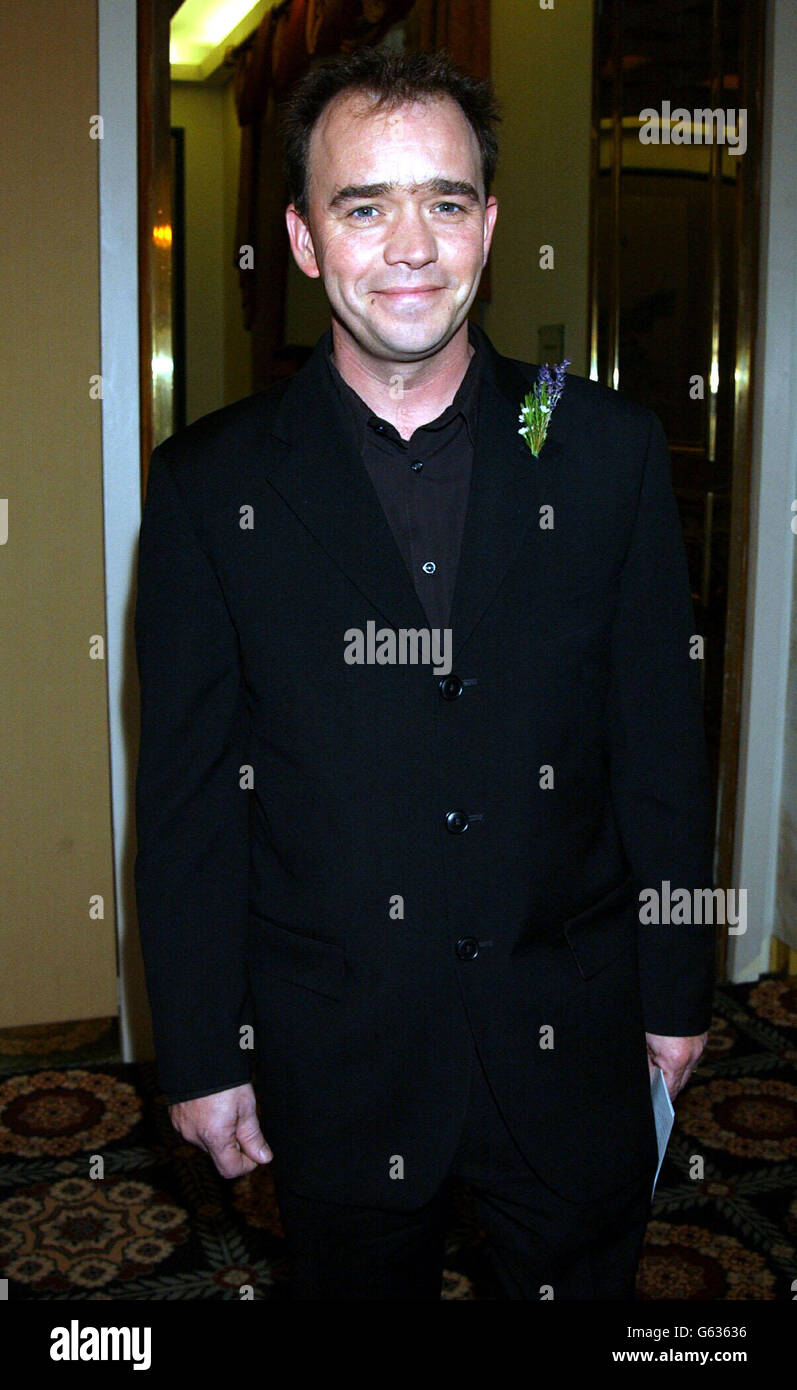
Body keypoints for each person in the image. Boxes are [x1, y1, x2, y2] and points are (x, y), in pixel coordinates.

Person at [133, 47, 715, 1300]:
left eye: (444, 202)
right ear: (299, 238)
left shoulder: (600, 446)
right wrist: (197, 1047)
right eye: (363, 205)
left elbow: (660, 749)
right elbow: (187, 807)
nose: (410, 245)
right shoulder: (207, 489)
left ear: (488, 227)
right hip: (333, 1057)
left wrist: (676, 988)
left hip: (569, 1041)